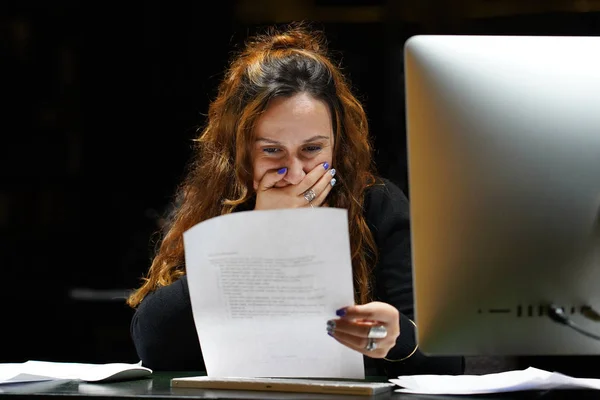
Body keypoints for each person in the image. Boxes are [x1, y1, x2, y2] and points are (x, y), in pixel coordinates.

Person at [126, 22, 464, 378]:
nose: (298, 173)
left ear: (339, 142)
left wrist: (395, 337)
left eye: (313, 149)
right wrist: (257, 232)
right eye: (272, 151)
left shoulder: (376, 205)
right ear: (239, 151)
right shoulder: (214, 202)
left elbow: (449, 361)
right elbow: (152, 342)